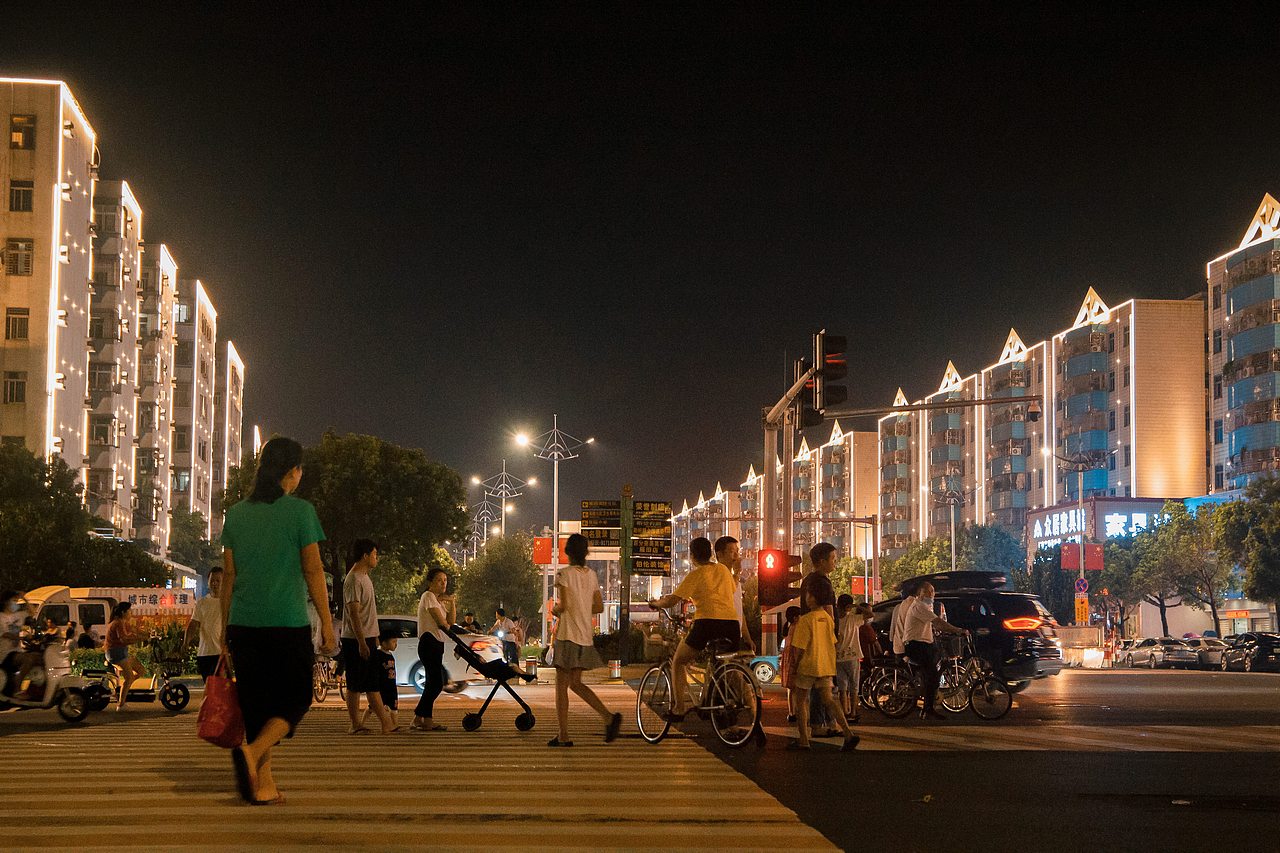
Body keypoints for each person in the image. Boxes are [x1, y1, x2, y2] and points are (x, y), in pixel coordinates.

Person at [220, 436, 337, 805]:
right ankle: (252, 753)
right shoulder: (300, 512)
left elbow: (228, 576)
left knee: (257, 706)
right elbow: (314, 570)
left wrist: (223, 629)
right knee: (297, 698)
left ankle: (264, 785)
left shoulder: (236, 514)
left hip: (243, 624)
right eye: (300, 469)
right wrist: (328, 624)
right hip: (286, 622)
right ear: (293, 472)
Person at [648, 537, 739, 721]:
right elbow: (733, 588)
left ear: (692, 556)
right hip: (731, 625)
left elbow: (672, 600)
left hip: (707, 623)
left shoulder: (696, 575)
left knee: (679, 661)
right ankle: (714, 705)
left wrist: (656, 603)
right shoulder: (723, 570)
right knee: (720, 665)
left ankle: (679, 708)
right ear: (711, 554)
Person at [547, 533, 621, 747]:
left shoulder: (563, 574)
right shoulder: (592, 575)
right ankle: (608, 717)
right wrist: (582, 607)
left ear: (567, 552)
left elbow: (563, 605)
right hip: (585, 636)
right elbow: (598, 607)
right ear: (585, 553)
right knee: (576, 683)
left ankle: (563, 735)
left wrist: (556, 610)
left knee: (562, 686)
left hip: (567, 635)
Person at [341, 539, 398, 734]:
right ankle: (370, 724)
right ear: (365, 555)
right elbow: (353, 613)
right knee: (358, 684)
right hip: (356, 639)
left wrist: (373, 637)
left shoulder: (364, 577)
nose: (377, 558)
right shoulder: (354, 579)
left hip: (366, 638)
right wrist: (361, 642)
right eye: (374, 554)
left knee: (369, 682)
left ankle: (379, 723)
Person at [786, 601, 858, 752]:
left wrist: (795, 666)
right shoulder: (827, 618)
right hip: (824, 665)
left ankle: (804, 740)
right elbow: (834, 642)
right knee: (829, 700)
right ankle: (848, 733)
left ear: (812, 598)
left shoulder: (806, 620)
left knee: (801, 701)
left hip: (808, 665)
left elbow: (800, 648)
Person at [900, 581, 968, 720]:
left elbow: (933, 624)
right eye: (927, 591)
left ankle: (928, 705)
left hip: (924, 644)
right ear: (920, 593)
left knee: (933, 672)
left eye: (933, 591)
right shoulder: (919, 606)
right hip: (916, 645)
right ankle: (927, 709)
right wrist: (957, 630)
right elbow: (938, 623)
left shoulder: (925, 606)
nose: (931, 594)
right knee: (932, 676)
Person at [801, 543, 840, 736]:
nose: (835, 563)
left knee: (821, 686)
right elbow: (829, 613)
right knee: (821, 685)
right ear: (822, 561)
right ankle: (819, 725)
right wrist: (833, 637)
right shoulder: (822, 582)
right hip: (821, 639)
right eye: (833, 559)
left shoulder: (807, 580)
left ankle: (828, 723)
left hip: (812, 638)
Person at [411, 567, 454, 732]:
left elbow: (450, 622)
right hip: (429, 642)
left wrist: (452, 603)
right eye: (439, 580)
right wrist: (445, 623)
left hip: (437, 643)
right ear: (430, 582)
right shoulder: (428, 596)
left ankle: (422, 720)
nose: (443, 583)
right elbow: (442, 623)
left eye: (445, 580)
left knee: (433, 683)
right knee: (435, 683)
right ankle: (421, 717)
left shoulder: (438, 600)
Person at [183, 568, 225, 681]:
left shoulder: (228, 603)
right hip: (204, 654)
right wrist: (186, 643)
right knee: (209, 686)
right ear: (208, 582)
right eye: (212, 581)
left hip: (221, 653)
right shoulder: (202, 603)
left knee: (220, 686)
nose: (215, 583)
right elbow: (193, 624)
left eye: (218, 580)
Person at [714, 536, 755, 654]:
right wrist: (737, 572)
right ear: (720, 554)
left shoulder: (734, 578)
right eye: (732, 552)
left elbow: (739, 610)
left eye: (737, 551)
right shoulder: (717, 574)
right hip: (723, 632)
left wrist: (747, 637)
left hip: (735, 633)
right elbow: (727, 591)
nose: (736, 556)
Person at [105, 602, 145, 711]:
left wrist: (147, 634)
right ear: (123, 612)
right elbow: (123, 639)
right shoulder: (118, 623)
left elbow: (134, 630)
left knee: (141, 670)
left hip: (121, 653)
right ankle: (121, 704)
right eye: (129, 611)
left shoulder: (123, 623)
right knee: (129, 677)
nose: (131, 613)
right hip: (116, 654)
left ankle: (124, 688)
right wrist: (138, 639)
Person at [363, 630, 400, 730]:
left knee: (394, 707)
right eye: (393, 642)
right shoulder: (378, 655)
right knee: (372, 707)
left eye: (396, 642)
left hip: (391, 686)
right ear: (383, 643)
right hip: (381, 686)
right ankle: (362, 722)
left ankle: (394, 725)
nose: (395, 644)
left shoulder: (390, 655)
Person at [834, 594, 861, 722]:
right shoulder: (853, 619)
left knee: (842, 688)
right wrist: (857, 606)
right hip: (852, 657)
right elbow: (870, 615)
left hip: (838, 657)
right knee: (854, 686)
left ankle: (844, 712)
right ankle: (853, 712)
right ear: (849, 606)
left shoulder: (834, 620)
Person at [856, 602, 881, 698]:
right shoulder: (866, 627)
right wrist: (881, 653)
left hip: (858, 654)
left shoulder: (854, 624)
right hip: (867, 656)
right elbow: (874, 642)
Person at [781, 605, 801, 723]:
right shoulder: (797, 627)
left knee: (790, 688)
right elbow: (797, 646)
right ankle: (797, 711)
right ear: (795, 617)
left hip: (787, 658)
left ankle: (791, 712)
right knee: (797, 688)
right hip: (794, 657)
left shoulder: (788, 627)